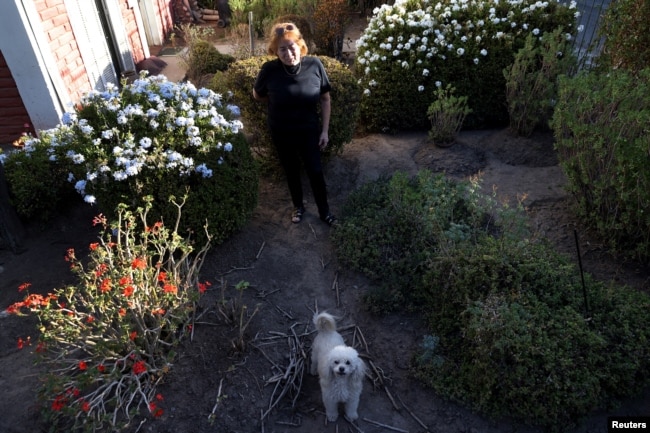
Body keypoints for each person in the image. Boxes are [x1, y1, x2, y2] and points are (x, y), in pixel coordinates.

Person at [253, 22, 337, 226]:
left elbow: (325, 99)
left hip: (309, 131)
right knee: (291, 171)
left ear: (300, 45)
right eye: (282, 49)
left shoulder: (314, 65)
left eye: (291, 46)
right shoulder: (269, 70)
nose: (288, 52)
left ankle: (324, 212)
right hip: (281, 131)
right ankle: (298, 206)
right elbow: (258, 95)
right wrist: (278, 100)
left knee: (315, 171)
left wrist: (324, 131)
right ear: (275, 51)